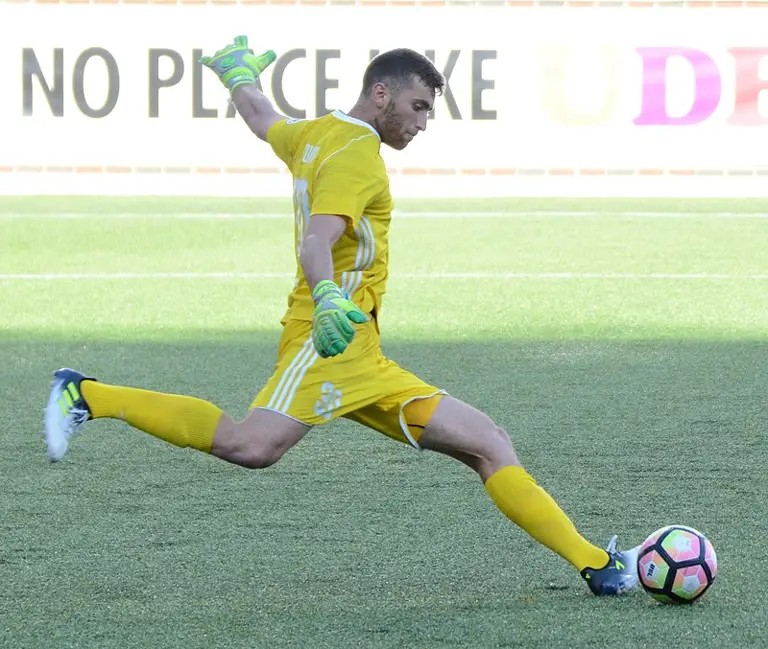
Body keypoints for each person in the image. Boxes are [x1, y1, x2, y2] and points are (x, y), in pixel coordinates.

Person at [44, 36, 639, 596]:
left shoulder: (315, 133)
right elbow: (317, 240)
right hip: (326, 339)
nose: (422, 123)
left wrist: (238, 77)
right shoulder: (359, 157)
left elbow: (263, 120)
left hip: (362, 353)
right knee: (252, 445)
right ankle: (87, 395)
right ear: (380, 94)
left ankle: (596, 564)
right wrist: (328, 295)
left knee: (487, 443)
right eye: (418, 107)